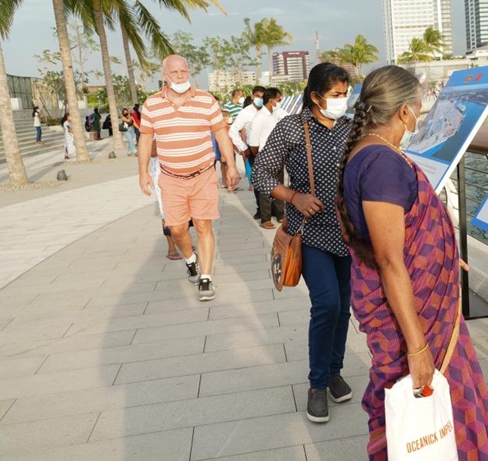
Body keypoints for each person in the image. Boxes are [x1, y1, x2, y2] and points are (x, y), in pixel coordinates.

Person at [338, 65, 488, 460]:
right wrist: (417, 346)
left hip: (417, 301)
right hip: (411, 320)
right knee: (437, 412)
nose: (421, 113)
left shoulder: (371, 151)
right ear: (403, 112)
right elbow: (389, 259)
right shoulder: (381, 164)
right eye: (419, 105)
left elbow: (406, 235)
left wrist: (445, 260)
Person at [252, 62, 353, 424]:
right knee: (326, 305)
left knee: (344, 307)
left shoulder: (350, 128)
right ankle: (316, 385)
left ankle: (334, 371)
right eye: (335, 95)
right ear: (315, 96)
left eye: (345, 94)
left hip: (347, 233)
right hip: (309, 234)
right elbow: (261, 173)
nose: (342, 101)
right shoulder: (292, 128)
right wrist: (294, 197)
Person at [137, 54, 241, 302]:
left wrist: (230, 165)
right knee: (177, 229)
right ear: (164, 76)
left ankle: (206, 277)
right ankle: (190, 260)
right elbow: (145, 139)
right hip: (170, 178)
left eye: (184, 71)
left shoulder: (206, 101)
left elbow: (221, 133)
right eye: (175, 72)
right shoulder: (151, 105)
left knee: (204, 225)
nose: (181, 76)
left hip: (203, 175)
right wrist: (142, 172)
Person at [231, 87, 287, 229]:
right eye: (279, 100)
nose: (280, 102)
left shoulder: (275, 113)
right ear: (272, 100)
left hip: (277, 154)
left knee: (279, 184)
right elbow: (253, 141)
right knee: (264, 187)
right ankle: (265, 217)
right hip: (262, 154)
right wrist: (250, 151)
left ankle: (280, 214)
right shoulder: (256, 116)